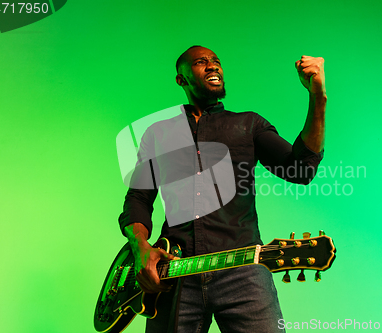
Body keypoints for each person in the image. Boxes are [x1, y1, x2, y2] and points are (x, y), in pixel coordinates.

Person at [119, 45, 327, 332]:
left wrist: (317, 96)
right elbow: (138, 199)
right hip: (173, 275)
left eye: (216, 61)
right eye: (201, 62)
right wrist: (140, 246)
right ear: (181, 79)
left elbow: (301, 169)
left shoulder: (248, 124)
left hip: (243, 274)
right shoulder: (158, 134)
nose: (213, 66)